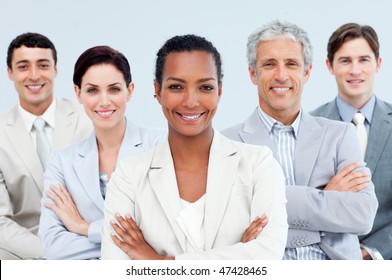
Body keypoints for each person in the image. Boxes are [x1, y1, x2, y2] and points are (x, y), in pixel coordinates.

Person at [101, 34, 288, 260]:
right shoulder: (129, 176)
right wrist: (237, 258)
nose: (190, 101)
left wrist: (155, 261)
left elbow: (268, 257)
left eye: (205, 87)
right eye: (177, 86)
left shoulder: (258, 164)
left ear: (219, 91)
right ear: (158, 91)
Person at [222, 20, 379, 260]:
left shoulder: (341, 135)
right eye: (269, 64)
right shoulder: (228, 143)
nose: (281, 75)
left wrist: (267, 202)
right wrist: (326, 198)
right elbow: (228, 230)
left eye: (292, 64)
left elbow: (362, 216)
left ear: (306, 73)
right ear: (253, 74)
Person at [38, 46, 165, 259]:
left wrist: (84, 227)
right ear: (78, 93)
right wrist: (133, 245)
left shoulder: (160, 144)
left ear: (130, 91)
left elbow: (165, 235)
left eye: (114, 89)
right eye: (92, 90)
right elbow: (53, 245)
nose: (104, 101)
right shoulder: (61, 162)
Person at [0, 33, 92, 260]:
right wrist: (54, 254)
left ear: (55, 70)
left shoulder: (88, 119)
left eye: (43, 65)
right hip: (25, 251)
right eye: (23, 66)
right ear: (10, 73)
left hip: (88, 241)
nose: (34, 76)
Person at [310, 23, 391, 260]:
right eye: (345, 61)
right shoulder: (309, 125)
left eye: (363, 60)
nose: (355, 70)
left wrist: (371, 251)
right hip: (322, 259)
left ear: (378, 64)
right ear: (330, 66)